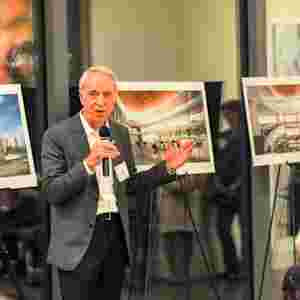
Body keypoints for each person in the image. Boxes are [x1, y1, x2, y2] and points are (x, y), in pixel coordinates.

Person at [41, 65, 193, 300]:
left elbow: (129, 184)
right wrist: (88, 163)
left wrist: (168, 167)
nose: (100, 101)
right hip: (78, 244)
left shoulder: (120, 133)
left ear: (115, 98)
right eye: (93, 94)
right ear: (81, 96)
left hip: (115, 237)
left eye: (107, 94)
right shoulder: (57, 136)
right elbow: (52, 192)